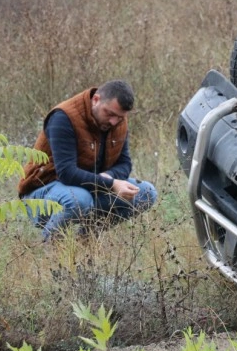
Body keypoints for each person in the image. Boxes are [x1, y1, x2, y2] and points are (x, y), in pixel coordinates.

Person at [18, 80, 158, 240]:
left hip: (86, 188)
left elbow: (125, 164)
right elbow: (66, 173)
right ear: (96, 100)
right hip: (42, 192)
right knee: (79, 200)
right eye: (110, 114)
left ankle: (86, 242)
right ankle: (51, 252)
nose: (114, 121)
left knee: (146, 193)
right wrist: (111, 184)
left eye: (120, 117)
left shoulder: (117, 122)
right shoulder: (63, 117)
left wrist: (109, 175)